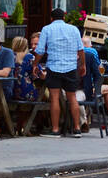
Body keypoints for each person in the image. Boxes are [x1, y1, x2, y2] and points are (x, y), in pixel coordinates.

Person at [34, 8, 86, 137]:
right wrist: (83, 65)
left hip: (54, 67)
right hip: (71, 67)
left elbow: (40, 50)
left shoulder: (46, 29)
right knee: (72, 97)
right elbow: (81, 49)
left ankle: (55, 129)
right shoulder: (74, 29)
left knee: (54, 98)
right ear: (64, 17)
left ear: (51, 19)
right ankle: (77, 128)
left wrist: (35, 64)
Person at [80, 34, 108, 130]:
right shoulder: (92, 52)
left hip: (76, 88)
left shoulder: (75, 53)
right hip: (89, 90)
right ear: (90, 45)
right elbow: (101, 71)